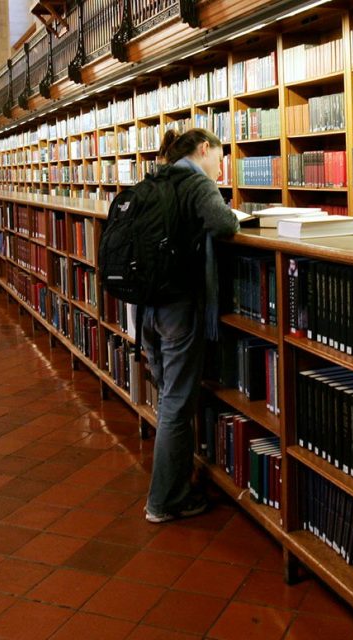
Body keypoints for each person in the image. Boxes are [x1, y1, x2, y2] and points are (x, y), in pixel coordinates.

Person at [141, 128, 239, 523]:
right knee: (177, 405)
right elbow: (224, 225)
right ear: (204, 150)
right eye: (219, 158)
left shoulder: (155, 178)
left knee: (168, 397)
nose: (219, 168)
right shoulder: (196, 182)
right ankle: (165, 501)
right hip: (179, 307)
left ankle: (173, 484)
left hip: (147, 306)